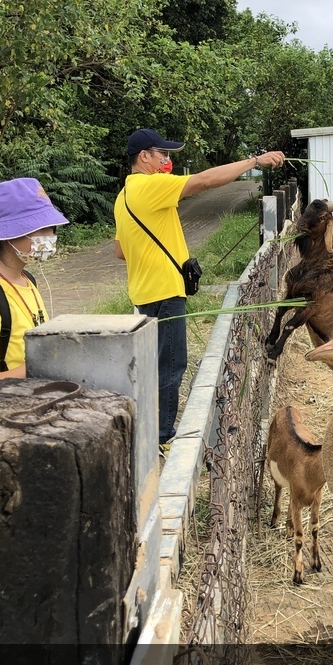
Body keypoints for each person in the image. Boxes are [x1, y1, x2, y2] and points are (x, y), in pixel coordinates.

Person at [114, 129, 285, 445]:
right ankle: (162, 436)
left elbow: (120, 251)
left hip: (142, 294)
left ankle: (149, 430)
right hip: (165, 293)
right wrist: (255, 160)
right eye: (162, 154)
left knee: (153, 366)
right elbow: (205, 181)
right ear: (144, 157)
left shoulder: (123, 197)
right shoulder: (150, 186)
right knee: (171, 366)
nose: (167, 160)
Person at [0, 178, 69, 390]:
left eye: (51, 228)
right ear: (6, 233)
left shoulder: (27, 280)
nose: (50, 237)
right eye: (40, 228)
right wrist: (46, 364)